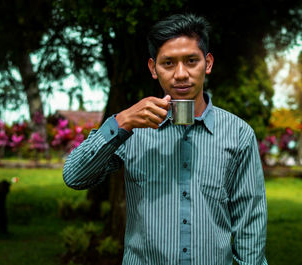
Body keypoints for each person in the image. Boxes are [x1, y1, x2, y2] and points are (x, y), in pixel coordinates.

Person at [63, 13, 268, 265]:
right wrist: (121, 122)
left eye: (191, 61)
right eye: (168, 63)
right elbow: (74, 176)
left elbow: (250, 223)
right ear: (153, 68)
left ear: (208, 63)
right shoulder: (132, 129)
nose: (181, 74)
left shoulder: (238, 134)